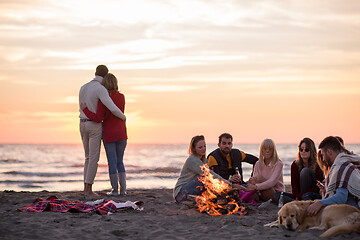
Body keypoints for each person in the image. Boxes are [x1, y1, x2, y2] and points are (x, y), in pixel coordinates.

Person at [79, 65, 126, 196]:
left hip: (82, 123)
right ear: (105, 76)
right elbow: (112, 108)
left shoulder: (83, 87)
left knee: (87, 157)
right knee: (94, 158)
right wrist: (123, 117)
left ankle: (85, 188)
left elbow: (82, 107)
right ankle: (89, 190)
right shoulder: (101, 89)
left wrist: (86, 111)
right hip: (94, 124)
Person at [306, 136, 360, 216]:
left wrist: (320, 203)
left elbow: (341, 197)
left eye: (323, 155)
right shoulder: (346, 161)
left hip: (354, 212)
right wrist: (325, 189)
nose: (323, 159)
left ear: (329, 152)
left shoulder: (341, 166)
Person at [174, 135, 230, 203]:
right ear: (194, 149)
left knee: (210, 183)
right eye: (200, 147)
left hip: (193, 191)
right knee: (204, 178)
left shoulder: (205, 161)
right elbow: (207, 173)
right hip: (181, 193)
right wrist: (222, 180)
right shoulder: (192, 159)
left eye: (204, 146)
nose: (203, 149)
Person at [274, 138, 324, 204]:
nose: (303, 151)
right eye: (301, 149)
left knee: (305, 171)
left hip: (312, 195)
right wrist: (297, 196)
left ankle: (299, 202)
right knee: (277, 195)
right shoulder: (295, 164)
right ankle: (299, 202)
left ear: (311, 151)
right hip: (299, 196)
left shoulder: (318, 165)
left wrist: (300, 196)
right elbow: (294, 187)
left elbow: (319, 186)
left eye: (306, 150)